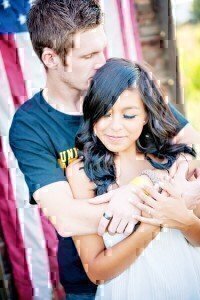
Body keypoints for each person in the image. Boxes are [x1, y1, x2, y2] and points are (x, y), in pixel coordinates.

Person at [8, 0, 200, 299]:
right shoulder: (30, 125)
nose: (101, 62)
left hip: (171, 265)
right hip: (97, 278)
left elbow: (192, 148)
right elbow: (67, 218)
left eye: (102, 49)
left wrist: (176, 167)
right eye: (88, 55)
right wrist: (159, 203)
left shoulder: (121, 89)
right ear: (51, 58)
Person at [67, 58, 200, 300]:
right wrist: (153, 223)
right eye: (104, 114)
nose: (114, 127)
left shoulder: (178, 161)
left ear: (146, 116)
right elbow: (96, 272)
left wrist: (184, 220)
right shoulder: (83, 175)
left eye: (128, 116)